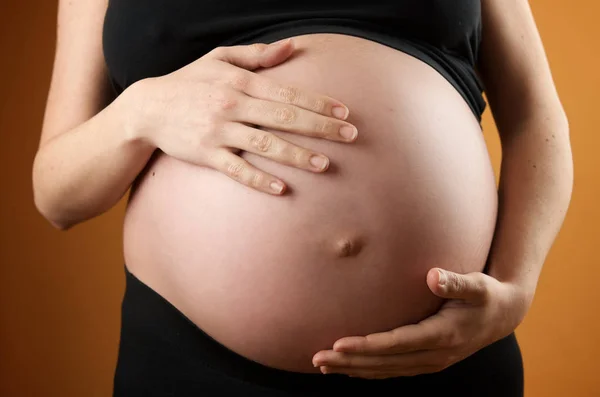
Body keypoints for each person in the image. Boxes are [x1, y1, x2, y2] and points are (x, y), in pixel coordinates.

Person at [33, 0, 573, 396]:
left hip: (447, 355)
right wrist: (140, 113)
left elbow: (535, 116)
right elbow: (57, 195)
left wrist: (514, 291)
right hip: (194, 365)